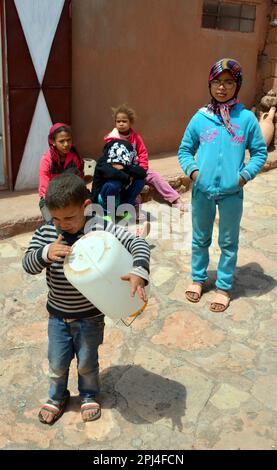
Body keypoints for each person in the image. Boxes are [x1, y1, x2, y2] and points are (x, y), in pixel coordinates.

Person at [23, 173, 150, 425]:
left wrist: (138, 270)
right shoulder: (48, 233)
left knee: (87, 362)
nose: (62, 224)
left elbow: (137, 243)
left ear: (86, 206)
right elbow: (28, 263)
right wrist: (45, 253)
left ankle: (89, 395)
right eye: (56, 218)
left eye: (69, 217)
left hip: (90, 317)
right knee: (57, 363)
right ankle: (56, 397)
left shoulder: (100, 227)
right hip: (58, 316)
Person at [178, 58, 267, 312]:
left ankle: (224, 286)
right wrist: (195, 173)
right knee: (199, 238)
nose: (222, 87)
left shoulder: (246, 119)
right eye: (217, 81)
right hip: (202, 192)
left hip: (231, 194)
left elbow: (259, 153)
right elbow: (185, 150)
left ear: (237, 85)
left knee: (228, 242)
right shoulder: (200, 118)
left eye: (229, 82)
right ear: (210, 83)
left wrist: (242, 176)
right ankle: (198, 278)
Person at [104, 104, 187, 215]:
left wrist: (143, 168)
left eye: (124, 121)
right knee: (131, 185)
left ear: (130, 122)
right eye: (118, 121)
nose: (121, 124)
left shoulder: (135, 137)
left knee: (155, 177)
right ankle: (134, 207)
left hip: (137, 167)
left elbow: (143, 153)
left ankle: (175, 199)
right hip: (122, 171)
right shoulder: (112, 139)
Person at [38, 123, 84, 223]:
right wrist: (56, 202)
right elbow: (44, 188)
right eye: (61, 141)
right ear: (53, 142)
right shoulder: (47, 160)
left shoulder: (74, 158)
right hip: (50, 198)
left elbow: (78, 181)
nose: (66, 144)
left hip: (70, 196)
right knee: (53, 225)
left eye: (68, 140)